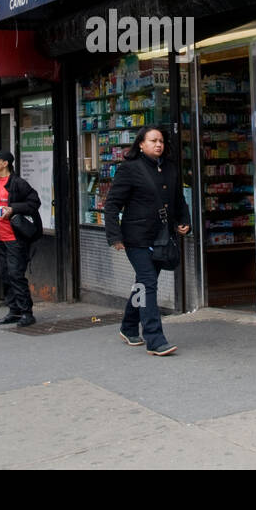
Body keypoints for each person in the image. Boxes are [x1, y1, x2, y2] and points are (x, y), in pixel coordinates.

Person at [103, 126, 190, 356]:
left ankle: (128, 325)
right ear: (141, 144)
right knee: (149, 281)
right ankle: (155, 338)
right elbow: (112, 204)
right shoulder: (130, 169)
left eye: (161, 140)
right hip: (136, 238)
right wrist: (114, 236)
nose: (158, 144)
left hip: (162, 237)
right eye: (153, 140)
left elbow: (178, 198)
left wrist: (184, 220)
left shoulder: (169, 168)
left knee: (143, 283)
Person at [0, 150, 41, 328]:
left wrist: (13, 208)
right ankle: (14, 310)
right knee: (5, 274)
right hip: (0, 237)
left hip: (15, 238)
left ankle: (26, 312)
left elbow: (34, 203)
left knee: (16, 274)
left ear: (5, 164)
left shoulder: (18, 183)